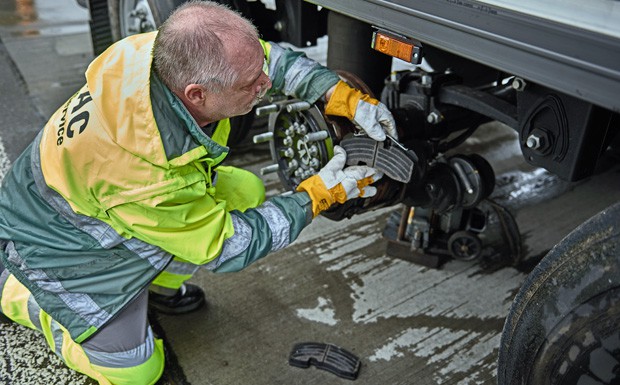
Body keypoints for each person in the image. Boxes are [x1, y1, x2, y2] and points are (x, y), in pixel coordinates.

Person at [0, 1, 396, 384]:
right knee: (137, 372)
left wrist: (335, 93)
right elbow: (231, 247)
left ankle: (155, 288)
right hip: (59, 248)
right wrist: (319, 195)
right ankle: (21, 296)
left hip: (106, 210)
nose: (266, 84)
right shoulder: (149, 173)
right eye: (250, 85)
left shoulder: (160, 54)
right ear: (196, 94)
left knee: (245, 189)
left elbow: (268, 60)